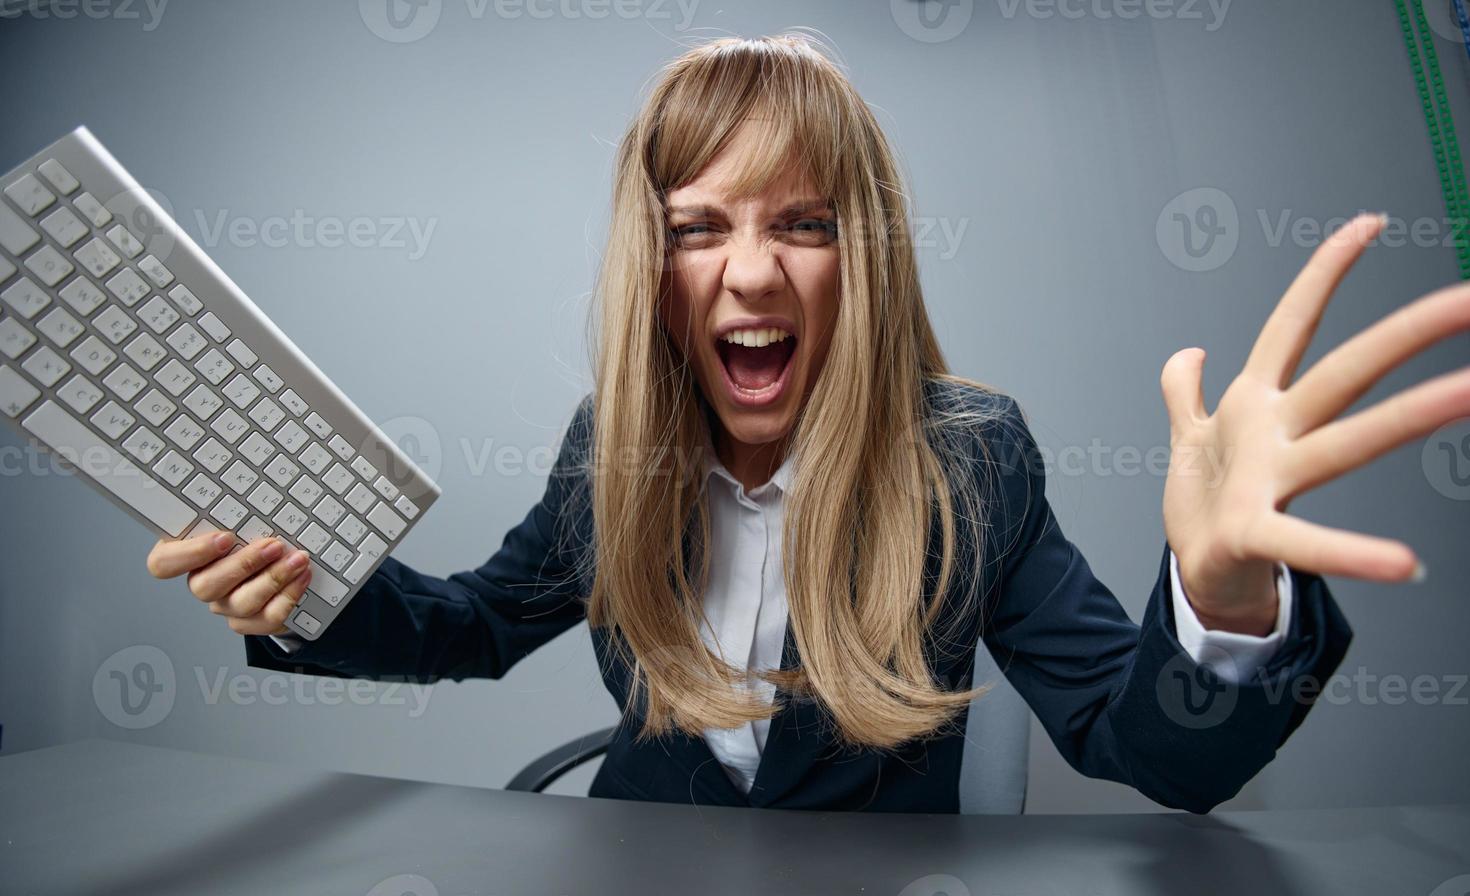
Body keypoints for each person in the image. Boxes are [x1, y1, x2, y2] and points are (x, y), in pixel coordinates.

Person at [144, 34, 1464, 813]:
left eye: (804, 224)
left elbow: (1145, 751)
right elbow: (473, 626)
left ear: (865, 257)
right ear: (648, 272)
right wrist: (305, 593)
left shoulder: (972, 458)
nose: (752, 274)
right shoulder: (616, 451)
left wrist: (1225, 598)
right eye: (697, 229)